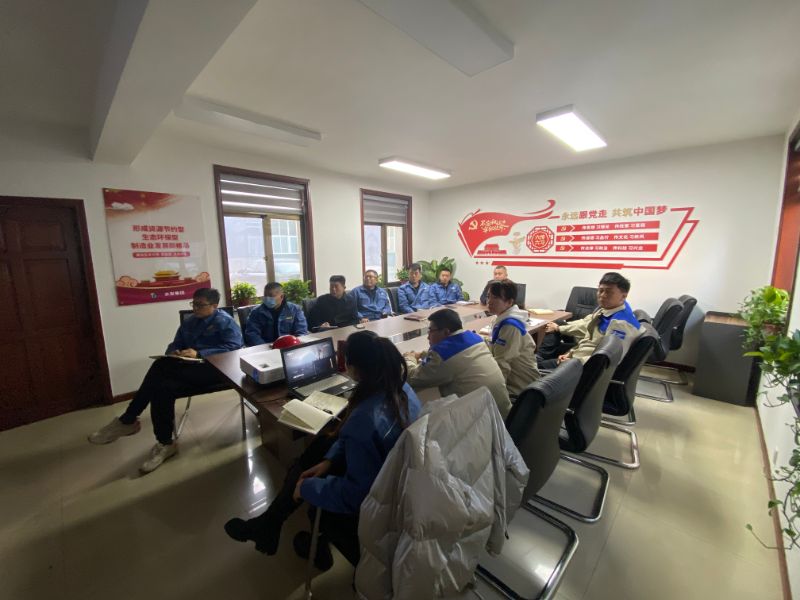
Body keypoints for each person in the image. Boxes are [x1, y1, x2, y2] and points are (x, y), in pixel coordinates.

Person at [224, 331, 421, 570]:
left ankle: (295, 535)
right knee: (319, 449)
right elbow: (353, 439)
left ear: (354, 369)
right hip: (398, 478)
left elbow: (354, 495)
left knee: (308, 467)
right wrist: (329, 460)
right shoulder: (402, 389)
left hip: (375, 500)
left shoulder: (364, 419)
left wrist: (307, 488)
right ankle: (269, 524)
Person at [88, 288, 244, 473]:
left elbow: (235, 346)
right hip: (191, 369)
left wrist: (200, 353)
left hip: (216, 370)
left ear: (214, 306)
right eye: (193, 304)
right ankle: (165, 443)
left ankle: (128, 419)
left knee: (160, 367)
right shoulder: (190, 321)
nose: (195, 308)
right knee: (162, 388)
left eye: (200, 305)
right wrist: (173, 352)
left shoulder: (225, 321)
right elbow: (176, 343)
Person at [403, 308, 511, 417]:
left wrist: (409, 358)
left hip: (482, 421)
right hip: (504, 413)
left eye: (430, 331)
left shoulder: (442, 356)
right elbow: (453, 354)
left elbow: (411, 378)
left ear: (446, 332)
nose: (428, 336)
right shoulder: (475, 338)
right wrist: (422, 354)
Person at [539, 272, 644, 369]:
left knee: (537, 367)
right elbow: (585, 328)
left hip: (581, 367)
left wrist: (572, 362)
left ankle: (539, 361)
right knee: (557, 325)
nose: (602, 295)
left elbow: (608, 357)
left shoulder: (620, 324)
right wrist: (569, 353)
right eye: (600, 290)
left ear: (623, 296)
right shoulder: (610, 309)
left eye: (609, 292)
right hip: (580, 352)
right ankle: (540, 358)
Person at [486, 280, 541, 397]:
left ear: (509, 302)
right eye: (488, 296)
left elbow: (502, 364)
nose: (489, 301)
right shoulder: (502, 318)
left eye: (495, 298)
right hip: (516, 380)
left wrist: (495, 396)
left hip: (520, 388)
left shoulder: (510, 326)